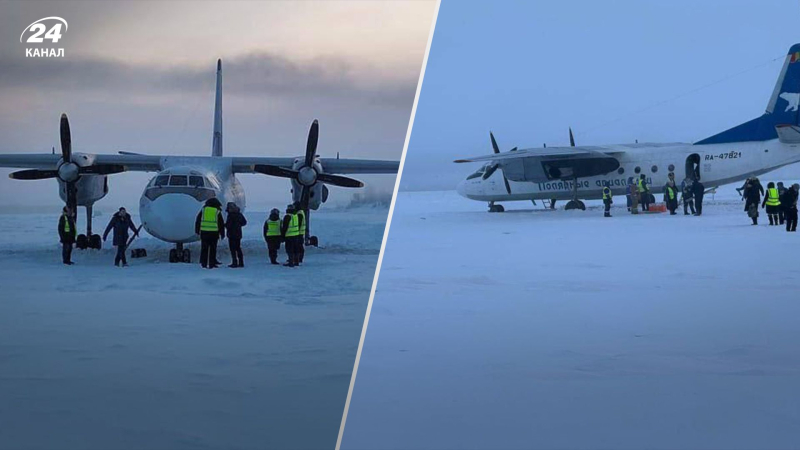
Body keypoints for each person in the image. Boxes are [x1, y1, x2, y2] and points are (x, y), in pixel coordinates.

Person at [195, 198, 225, 269]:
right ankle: (212, 263)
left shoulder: (203, 210)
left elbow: (198, 220)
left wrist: (197, 230)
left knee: (204, 249)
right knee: (213, 249)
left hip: (204, 233)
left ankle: (204, 263)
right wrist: (222, 233)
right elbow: (221, 223)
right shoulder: (217, 211)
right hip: (214, 234)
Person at [225, 202, 247, 268]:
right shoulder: (239, 214)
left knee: (233, 249)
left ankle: (234, 262)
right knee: (238, 248)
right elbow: (244, 222)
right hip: (238, 233)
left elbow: (229, 224)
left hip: (231, 234)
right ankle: (241, 262)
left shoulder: (230, 215)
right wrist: (238, 225)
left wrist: (225, 225)